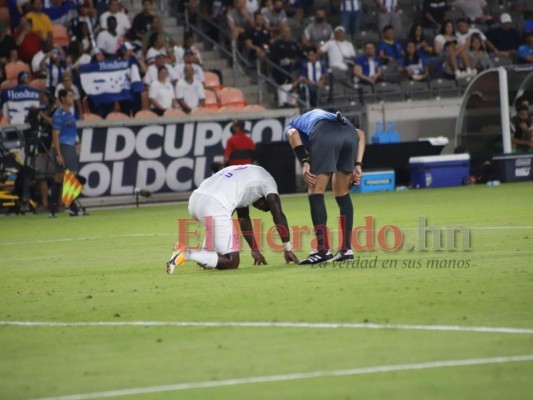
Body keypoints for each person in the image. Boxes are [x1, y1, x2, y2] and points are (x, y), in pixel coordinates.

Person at [166, 164, 299, 272]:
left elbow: (243, 218)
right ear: (266, 197)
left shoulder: (248, 180)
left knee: (217, 231)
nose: (264, 209)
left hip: (195, 200)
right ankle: (187, 253)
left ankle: (205, 252)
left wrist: (254, 249)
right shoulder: (268, 183)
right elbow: (278, 214)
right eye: (266, 206)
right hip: (214, 204)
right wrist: (287, 248)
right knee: (232, 261)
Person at [285, 109, 366, 264]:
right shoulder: (324, 116)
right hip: (349, 134)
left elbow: (292, 134)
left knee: (315, 190)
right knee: (342, 193)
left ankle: (322, 251)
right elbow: (360, 134)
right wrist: (358, 164)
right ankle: (346, 250)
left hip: (325, 134)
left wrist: (304, 163)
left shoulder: (292, 123)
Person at [50, 88, 83, 217]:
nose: (72, 98)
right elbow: (55, 135)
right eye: (70, 96)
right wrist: (58, 153)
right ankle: (71, 207)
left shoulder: (70, 113)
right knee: (71, 175)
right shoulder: (59, 114)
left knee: (60, 177)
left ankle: (54, 208)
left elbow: (73, 131)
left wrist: (78, 143)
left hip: (70, 146)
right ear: (63, 98)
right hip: (64, 147)